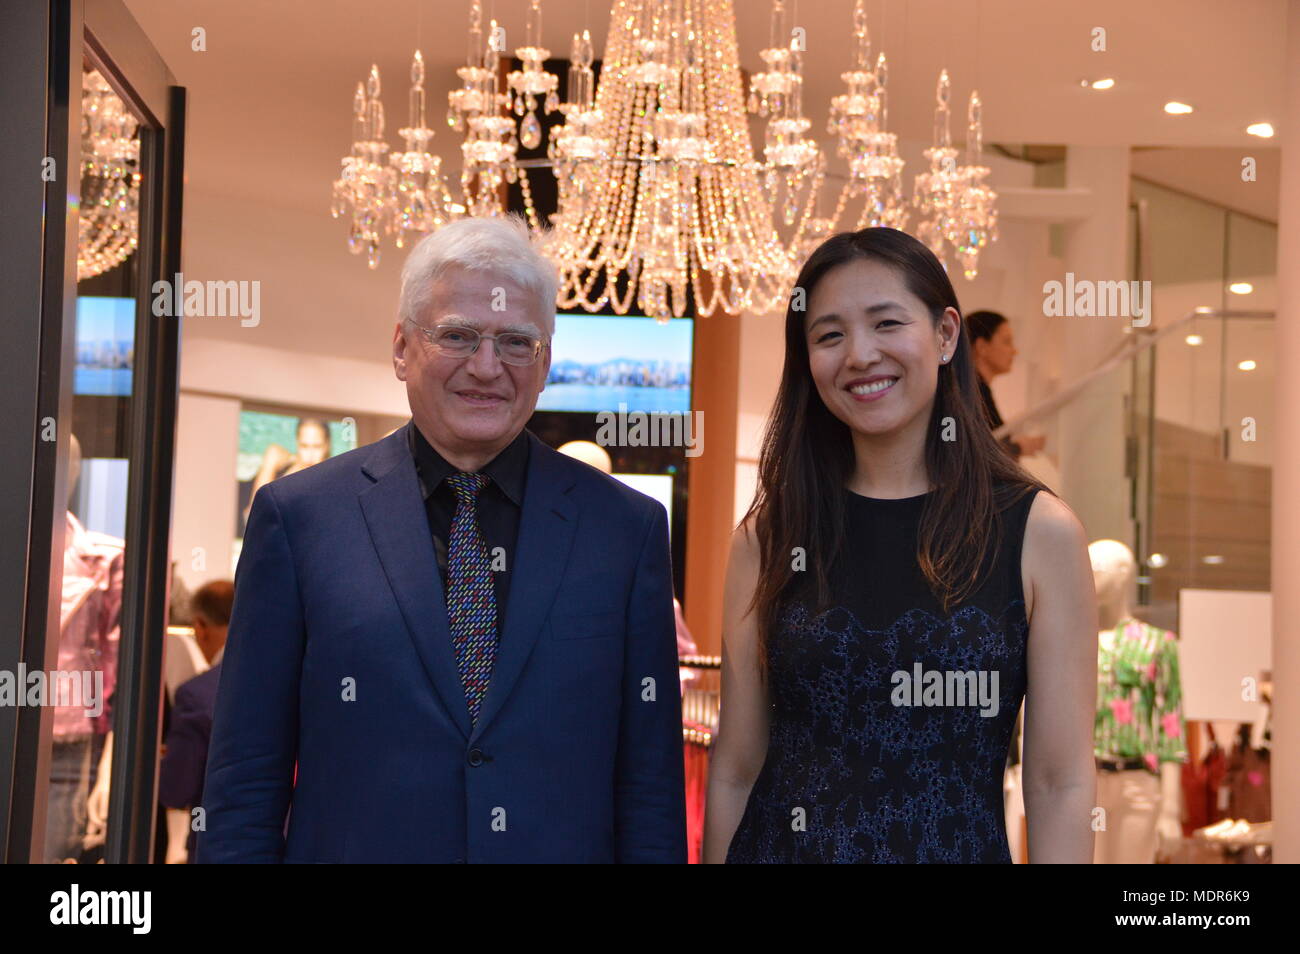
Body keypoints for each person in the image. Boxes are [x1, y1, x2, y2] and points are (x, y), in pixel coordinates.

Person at [199, 215, 685, 863]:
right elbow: (247, 777)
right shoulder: (300, 518)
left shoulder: (626, 531)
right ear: (401, 347)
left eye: (517, 342)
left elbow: (649, 785)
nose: (487, 368)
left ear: (546, 363)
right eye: (457, 335)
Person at [704, 227, 1097, 863]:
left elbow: (1060, 782)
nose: (859, 354)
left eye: (886, 323)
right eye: (829, 335)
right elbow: (736, 768)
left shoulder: (1038, 532)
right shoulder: (769, 536)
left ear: (945, 335)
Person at [158, 580, 234, 864]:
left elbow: (176, 790)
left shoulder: (197, 695)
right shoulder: (294, 683)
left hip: (218, 846)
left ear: (200, 627)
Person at [964, 310, 1046, 459]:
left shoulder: (975, 390)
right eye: (1007, 342)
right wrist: (1019, 447)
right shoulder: (971, 392)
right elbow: (979, 454)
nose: (1014, 351)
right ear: (982, 346)